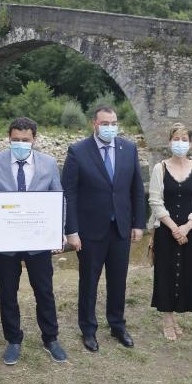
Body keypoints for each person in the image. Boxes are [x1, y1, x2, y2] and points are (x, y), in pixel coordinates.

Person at [0, 117, 67, 365]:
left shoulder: (49, 163)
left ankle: (51, 338)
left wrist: (58, 229)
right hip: (6, 242)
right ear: (9, 138)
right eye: (15, 140)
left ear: (34, 140)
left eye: (25, 140)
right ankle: (13, 340)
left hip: (38, 240)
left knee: (45, 291)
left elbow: (58, 198)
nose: (20, 144)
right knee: (8, 292)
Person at [62, 105, 146, 352]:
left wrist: (138, 223)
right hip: (90, 231)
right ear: (94, 124)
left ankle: (117, 325)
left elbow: (136, 190)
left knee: (118, 280)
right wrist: (71, 231)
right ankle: (88, 329)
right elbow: (69, 194)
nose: (110, 127)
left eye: (114, 122)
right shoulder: (78, 151)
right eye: (105, 123)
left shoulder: (128, 149)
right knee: (89, 281)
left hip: (120, 227)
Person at [148, 123, 192, 341]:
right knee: (165, 273)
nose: (180, 143)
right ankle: (167, 320)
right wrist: (174, 227)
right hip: (166, 231)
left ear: (190, 144)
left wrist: (188, 226)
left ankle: (177, 316)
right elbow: (155, 200)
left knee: (185, 273)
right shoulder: (159, 168)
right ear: (169, 142)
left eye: (184, 139)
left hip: (190, 232)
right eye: (176, 139)